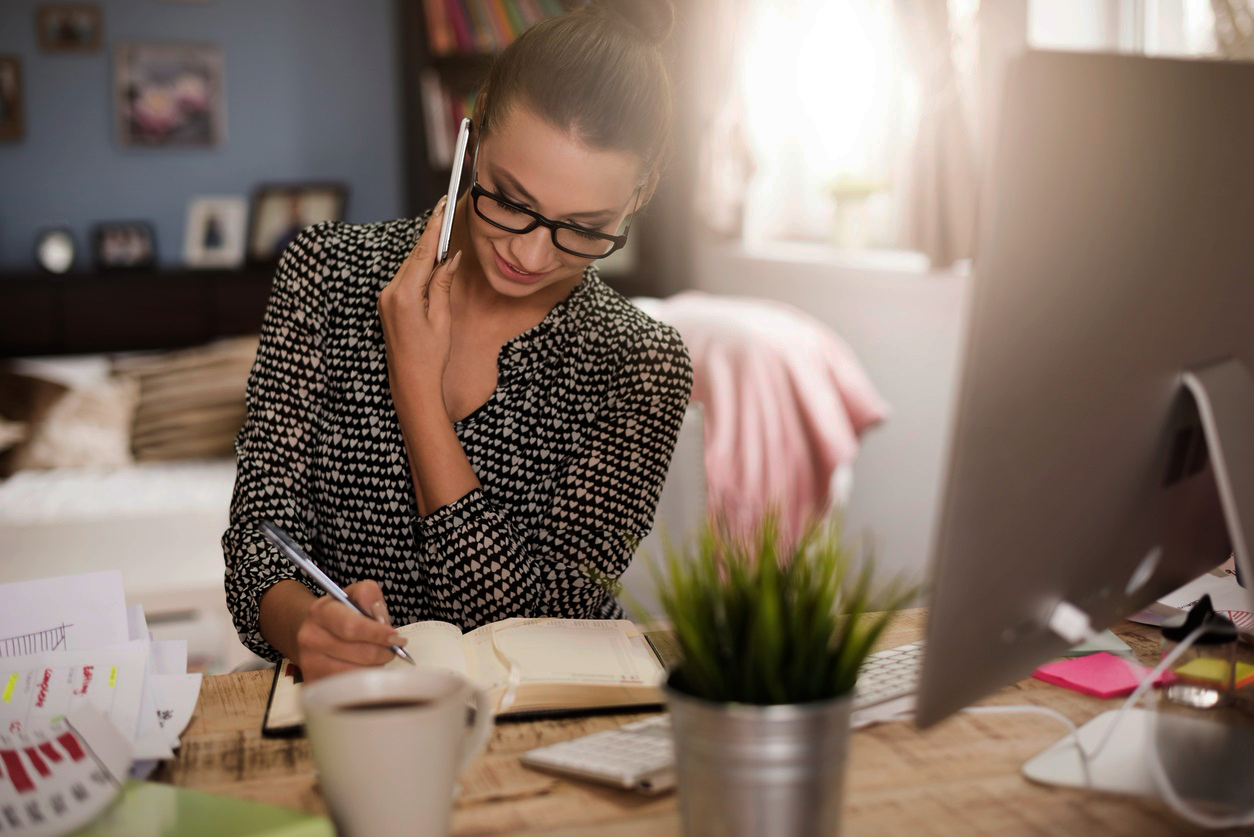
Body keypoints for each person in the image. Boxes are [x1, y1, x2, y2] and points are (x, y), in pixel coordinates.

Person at [223, 0, 692, 682]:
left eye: (585, 227)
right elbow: (259, 541)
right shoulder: (324, 273)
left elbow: (538, 626)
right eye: (509, 197)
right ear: (472, 131)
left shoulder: (640, 364)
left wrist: (417, 389)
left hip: (535, 738)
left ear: (640, 194)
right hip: (343, 711)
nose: (531, 256)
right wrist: (305, 626)